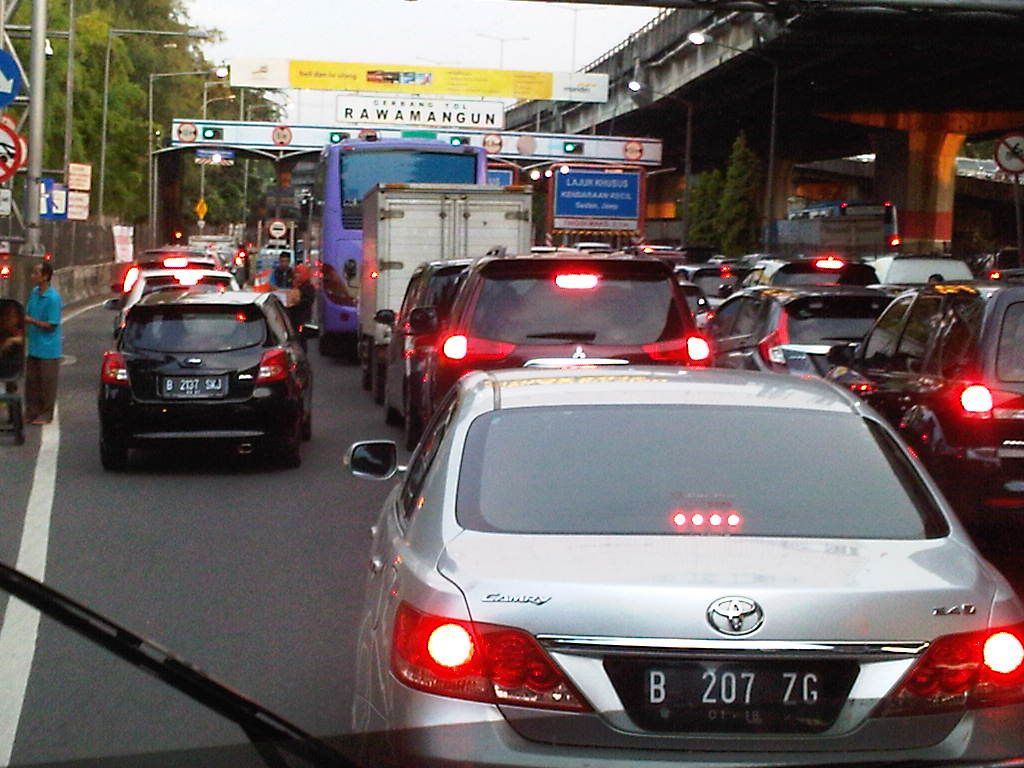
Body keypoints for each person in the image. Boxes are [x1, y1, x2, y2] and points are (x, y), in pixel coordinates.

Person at [24, 261, 62, 425]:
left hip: (48, 348)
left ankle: (46, 413)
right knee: (31, 382)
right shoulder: (34, 293)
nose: (33, 276)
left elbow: (52, 324)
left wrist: (32, 321)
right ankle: (31, 411)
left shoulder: (53, 298)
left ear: (46, 276)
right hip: (34, 345)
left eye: (36, 273)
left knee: (47, 383)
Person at [288, 263, 316, 343]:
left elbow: (307, 301)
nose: (296, 275)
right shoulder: (296, 285)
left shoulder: (308, 288)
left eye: (299, 273)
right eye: (296, 273)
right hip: (295, 318)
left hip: (302, 318)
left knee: (301, 338)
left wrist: (297, 302)